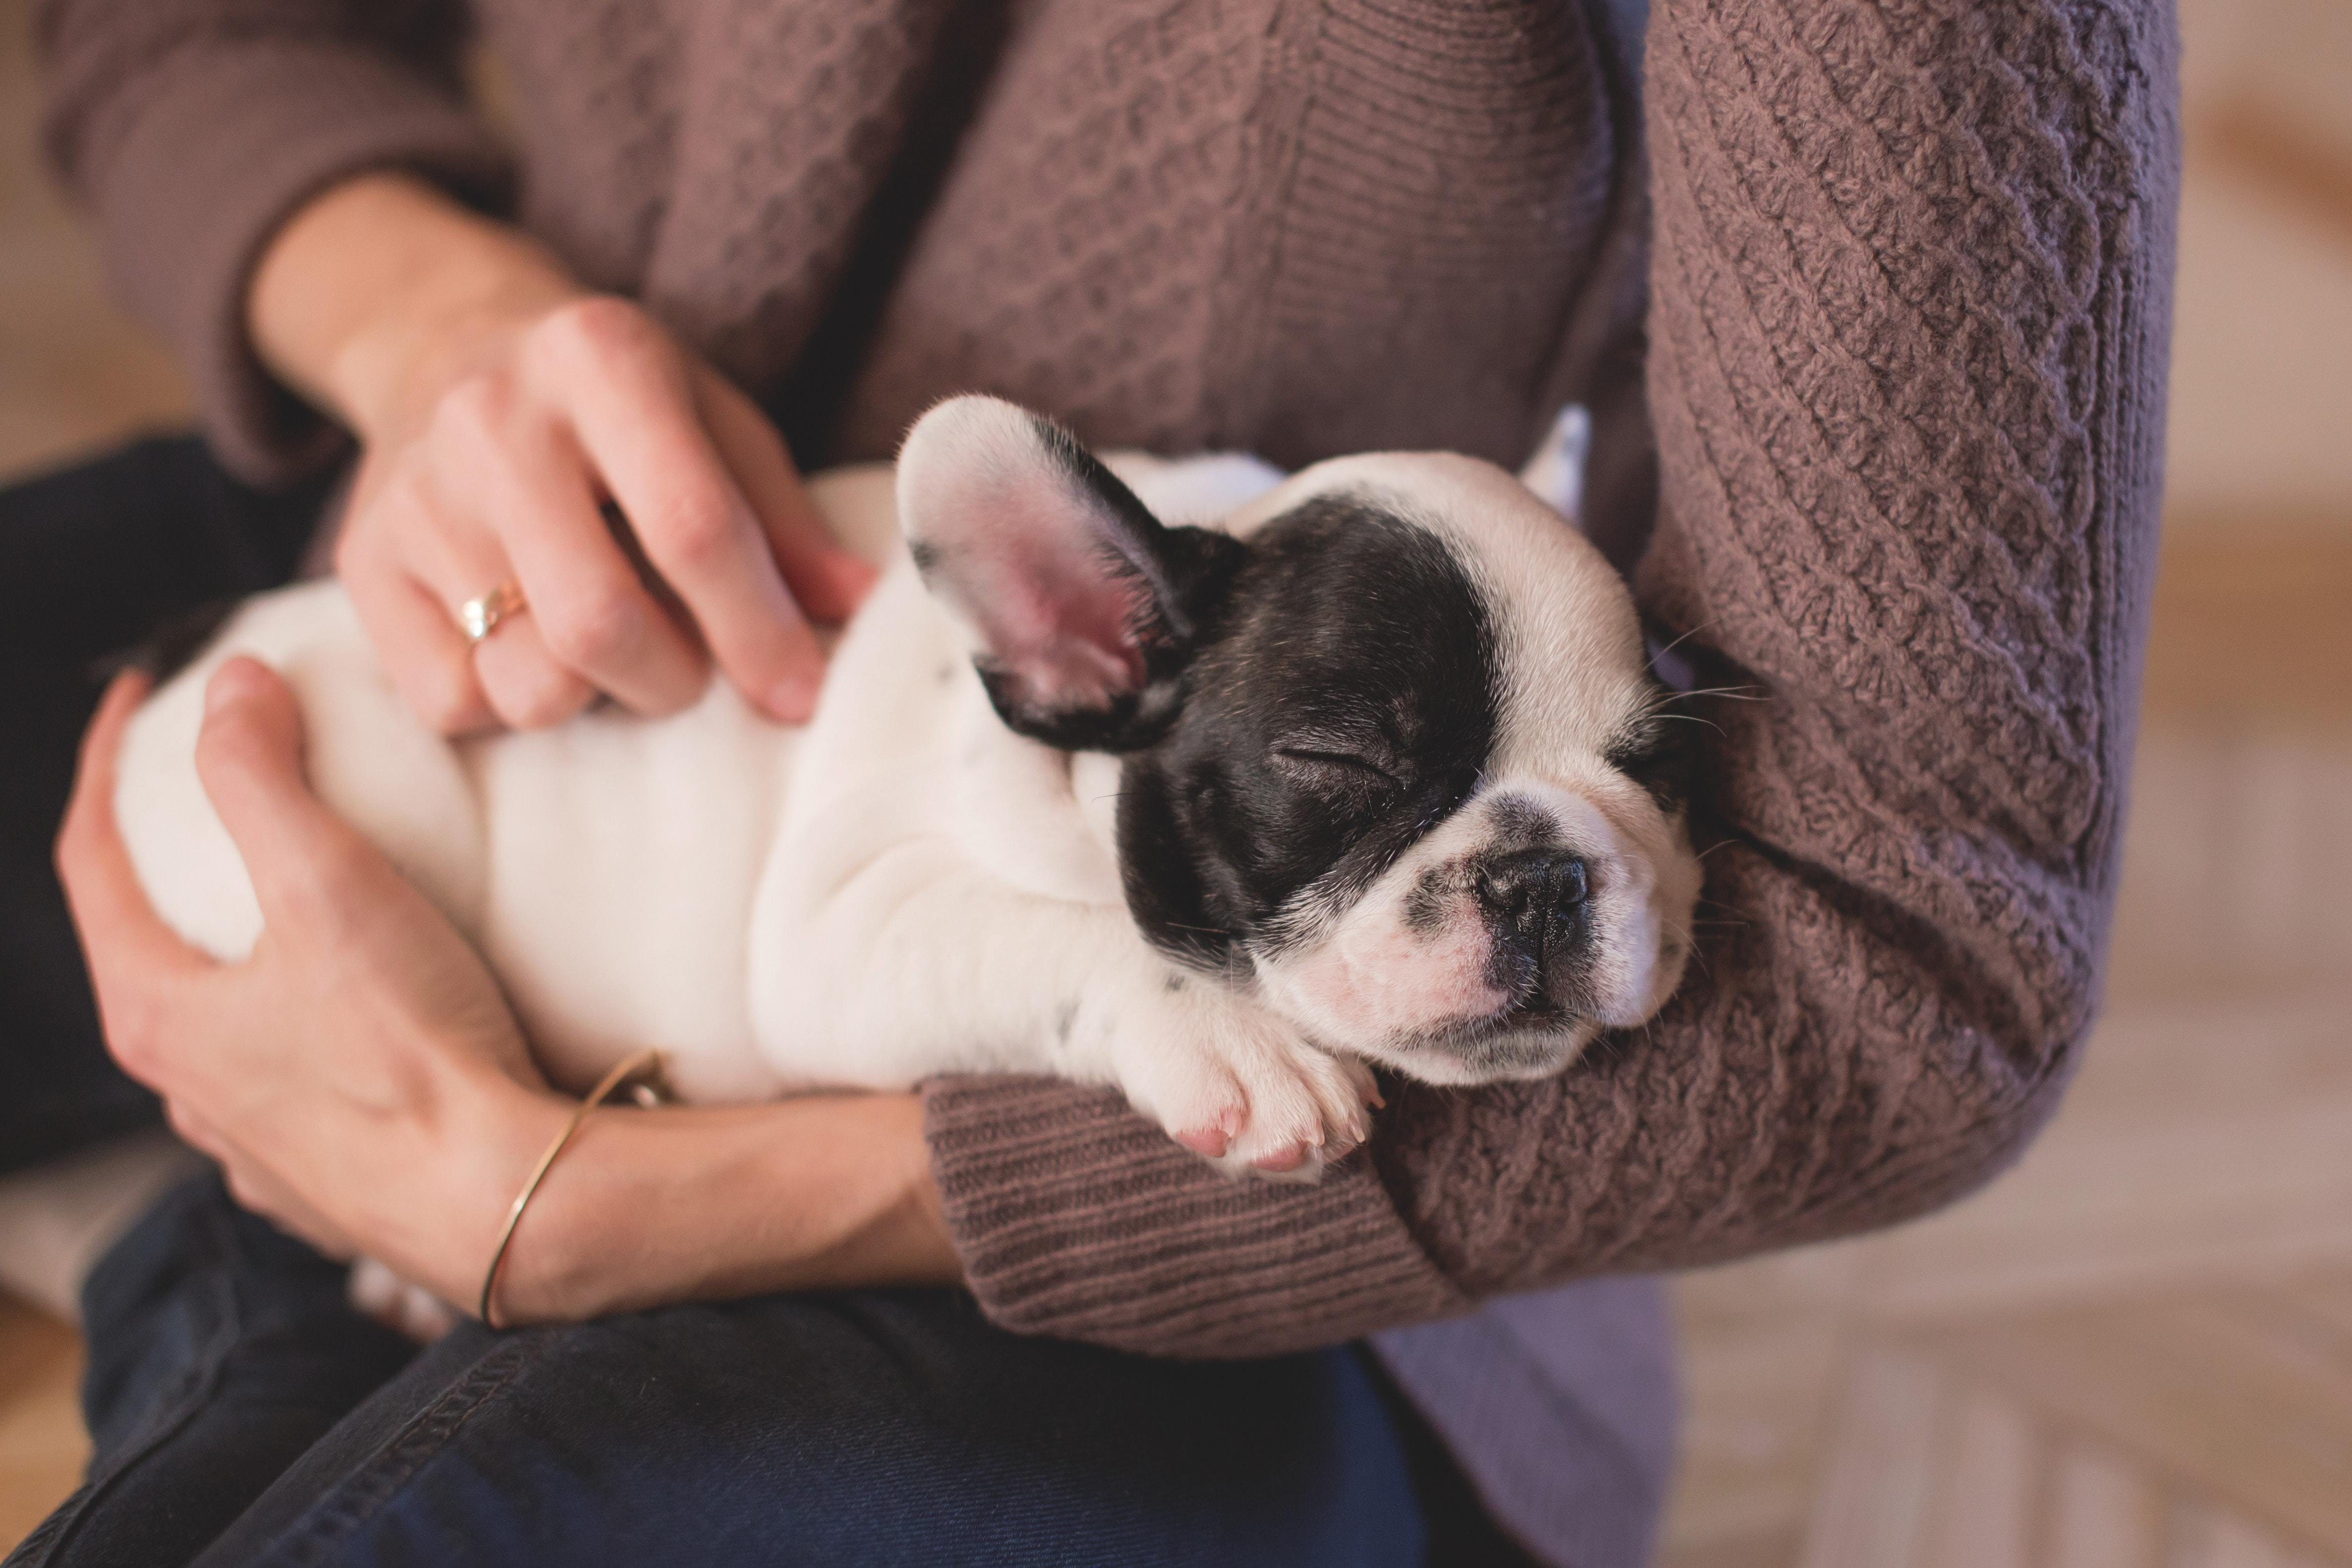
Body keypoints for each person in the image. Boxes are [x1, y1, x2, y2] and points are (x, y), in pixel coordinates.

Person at [2, 0, 2180, 1562]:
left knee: (448, 1511)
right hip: (483, 590)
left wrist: (584, 1212)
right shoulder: (1113, 632)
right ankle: (241, 1243)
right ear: (1066, 646)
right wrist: (430, 326)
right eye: (1360, 786)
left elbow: (1913, 954)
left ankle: (225, 1260)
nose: (1529, 874)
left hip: (1229, 1269)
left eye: (1630, 776)